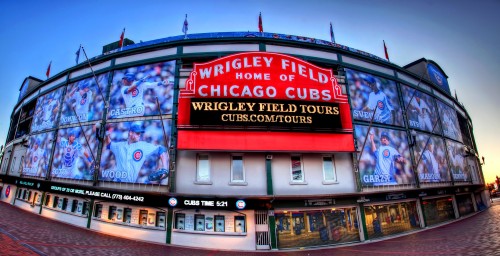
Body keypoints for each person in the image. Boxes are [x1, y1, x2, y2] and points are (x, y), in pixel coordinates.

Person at [104, 122, 169, 183]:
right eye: (137, 133)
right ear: (130, 133)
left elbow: (161, 149)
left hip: (129, 185)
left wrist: (165, 168)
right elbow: (109, 145)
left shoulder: (143, 146)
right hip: (116, 183)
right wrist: (107, 134)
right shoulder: (119, 145)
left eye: (140, 133)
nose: (139, 135)